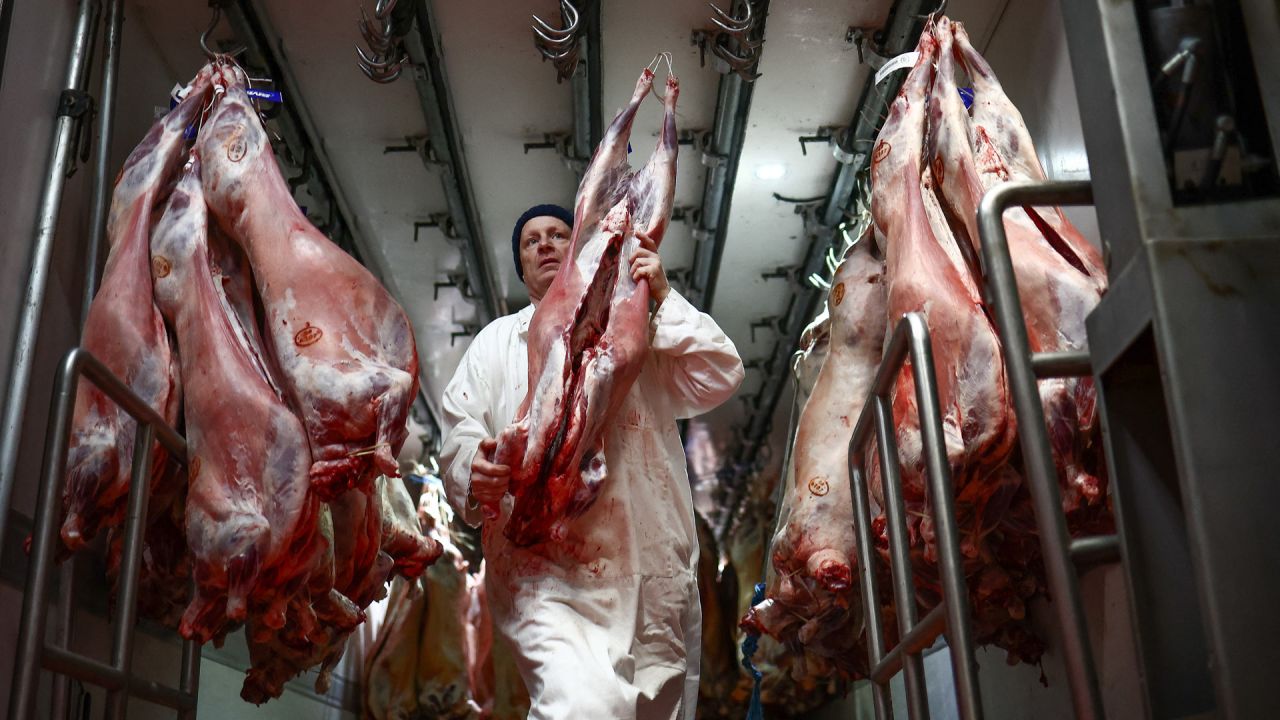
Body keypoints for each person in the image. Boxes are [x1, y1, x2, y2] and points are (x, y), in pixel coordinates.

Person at [439, 203, 744, 719]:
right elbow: (462, 427)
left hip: (646, 571)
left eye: (558, 234)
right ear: (521, 267)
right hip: (545, 570)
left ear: (578, 250)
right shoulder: (495, 343)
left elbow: (718, 373)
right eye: (531, 240)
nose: (545, 245)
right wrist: (476, 467)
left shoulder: (628, 331)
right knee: (580, 706)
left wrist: (664, 299)